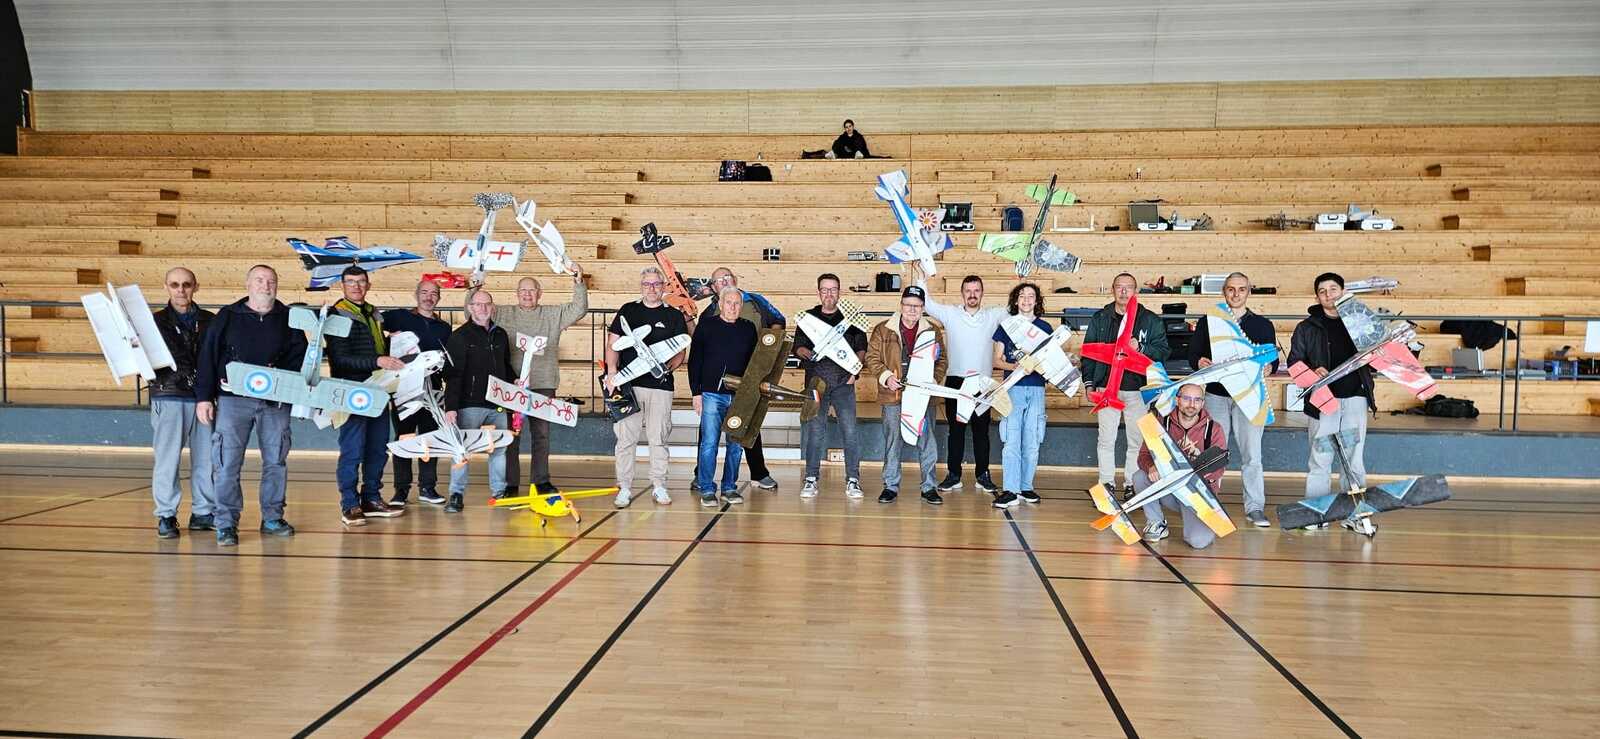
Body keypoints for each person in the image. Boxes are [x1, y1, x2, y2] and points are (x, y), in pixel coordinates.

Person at [194, 264, 306, 547]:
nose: (265, 285)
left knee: (276, 461)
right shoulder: (227, 316)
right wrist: (204, 397)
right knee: (226, 464)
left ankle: (272, 518)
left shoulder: (289, 318)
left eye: (271, 281)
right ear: (248, 284)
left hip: (275, 403)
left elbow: (300, 358)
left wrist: (283, 379)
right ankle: (226, 523)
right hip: (233, 402)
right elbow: (207, 356)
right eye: (259, 280)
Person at [1189, 272, 1277, 527]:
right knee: (1213, 454)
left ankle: (1255, 507)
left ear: (1248, 292)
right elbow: (1193, 355)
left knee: (1252, 456)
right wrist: (1199, 362)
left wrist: (1269, 367)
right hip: (1216, 395)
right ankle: (1208, 504)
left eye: (1241, 289)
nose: (1236, 294)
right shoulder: (1208, 322)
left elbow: (1271, 357)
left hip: (1250, 398)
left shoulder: (1263, 324)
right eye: (1231, 289)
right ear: (1224, 292)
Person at [1288, 272, 1375, 514]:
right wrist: (1313, 371)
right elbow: (1294, 362)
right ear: (1317, 297)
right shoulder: (1306, 328)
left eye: (1333, 289)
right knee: (1320, 459)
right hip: (1322, 402)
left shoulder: (1360, 322)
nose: (1328, 295)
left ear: (1343, 291)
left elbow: (1377, 359)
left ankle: (1357, 513)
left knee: (1353, 460)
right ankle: (1317, 513)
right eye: (1322, 291)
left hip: (1355, 399)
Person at [326, 266, 406, 528]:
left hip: (379, 389)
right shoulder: (337, 314)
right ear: (342, 285)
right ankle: (350, 503)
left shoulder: (373, 312)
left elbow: (373, 347)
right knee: (352, 449)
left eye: (361, 281)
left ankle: (371, 498)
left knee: (377, 448)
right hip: (352, 391)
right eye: (351, 282)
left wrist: (392, 343)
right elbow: (340, 358)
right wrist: (378, 360)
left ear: (368, 285)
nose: (356, 286)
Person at [498, 268, 588, 496]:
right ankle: (510, 484)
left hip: (543, 383)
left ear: (540, 293)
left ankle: (541, 481)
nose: (527, 294)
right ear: (516, 293)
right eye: (523, 290)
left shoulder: (552, 314)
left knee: (542, 435)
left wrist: (579, 282)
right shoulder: (503, 313)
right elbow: (473, 310)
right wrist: (474, 288)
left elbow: (579, 309)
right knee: (511, 436)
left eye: (532, 290)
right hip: (512, 386)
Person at [1081, 272, 1170, 500]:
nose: (1123, 291)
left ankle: (1132, 484)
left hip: (1138, 391)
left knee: (1136, 441)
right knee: (1105, 439)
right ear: (1112, 289)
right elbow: (1088, 352)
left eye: (1128, 287)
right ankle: (1106, 485)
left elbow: (1163, 352)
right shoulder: (1100, 318)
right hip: (1106, 389)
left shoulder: (1150, 320)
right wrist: (1089, 383)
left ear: (1135, 291)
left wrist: (1141, 348)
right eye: (1119, 287)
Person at [696, 267, 785, 491]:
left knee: (747, 429)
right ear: (714, 288)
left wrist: (768, 345)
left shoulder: (756, 301)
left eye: (727, 277)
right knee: (708, 436)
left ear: (735, 279)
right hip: (713, 388)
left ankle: (758, 473)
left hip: (747, 378)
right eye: (719, 280)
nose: (724, 282)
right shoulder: (709, 313)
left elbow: (778, 320)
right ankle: (701, 478)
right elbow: (697, 344)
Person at [608, 266, 689, 508]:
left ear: (663, 286)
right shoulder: (628, 310)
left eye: (656, 284)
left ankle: (659, 486)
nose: (651, 288)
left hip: (661, 388)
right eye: (647, 284)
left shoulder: (673, 315)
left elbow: (680, 352)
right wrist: (612, 373)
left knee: (658, 438)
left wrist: (667, 369)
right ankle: (624, 487)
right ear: (641, 286)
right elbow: (613, 344)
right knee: (625, 439)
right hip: (629, 387)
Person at [921, 274, 1006, 494]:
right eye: (968, 291)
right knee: (956, 431)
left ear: (982, 293)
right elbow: (927, 304)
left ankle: (983, 475)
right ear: (962, 293)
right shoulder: (951, 314)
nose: (972, 295)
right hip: (955, 381)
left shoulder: (993, 315)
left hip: (983, 382)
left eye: (976, 290)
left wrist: (1021, 278)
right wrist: (921, 278)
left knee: (981, 431)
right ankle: (953, 475)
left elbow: (1016, 309)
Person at [147, 267, 215, 539]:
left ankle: (203, 512)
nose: (181, 290)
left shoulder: (210, 320)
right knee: (167, 459)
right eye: (174, 284)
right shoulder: (153, 322)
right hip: (169, 395)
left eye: (186, 284)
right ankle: (166, 515)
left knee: (207, 459)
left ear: (195, 287)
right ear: (166, 287)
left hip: (204, 399)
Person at [864, 285, 948, 506]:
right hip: (893, 395)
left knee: (927, 441)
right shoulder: (883, 329)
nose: (912, 310)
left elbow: (942, 361)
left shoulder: (933, 331)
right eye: (909, 305)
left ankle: (929, 487)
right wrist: (886, 377)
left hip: (923, 397)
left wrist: (933, 381)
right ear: (901, 305)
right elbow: (872, 358)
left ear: (923, 308)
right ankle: (890, 485)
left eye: (917, 306)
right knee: (893, 440)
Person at [793, 273, 867, 499]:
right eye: (825, 290)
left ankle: (853, 480)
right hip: (817, 384)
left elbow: (861, 348)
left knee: (850, 431)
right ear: (818, 292)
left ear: (839, 292)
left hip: (844, 383)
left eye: (833, 289)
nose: (829, 294)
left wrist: (855, 371)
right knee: (815, 431)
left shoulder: (851, 318)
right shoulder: (807, 318)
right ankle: (811, 478)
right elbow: (798, 347)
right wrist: (809, 353)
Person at [441, 289, 515, 513]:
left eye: (487, 304)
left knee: (499, 449)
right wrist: (451, 407)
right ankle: (456, 494)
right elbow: (452, 375)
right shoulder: (459, 336)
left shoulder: (501, 334)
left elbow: (505, 366)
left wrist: (515, 380)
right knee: (462, 450)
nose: (483, 308)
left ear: (492, 307)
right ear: (470, 308)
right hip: (469, 404)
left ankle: (499, 492)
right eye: (478, 304)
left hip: (498, 404)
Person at [382, 279, 452, 507]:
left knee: (431, 438)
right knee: (405, 437)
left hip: (433, 390)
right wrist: (387, 341)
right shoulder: (399, 317)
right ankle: (401, 490)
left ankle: (427, 487)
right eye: (424, 292)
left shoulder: (444, 328)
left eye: (434, 293)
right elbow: (372, 322)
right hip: (403, 390)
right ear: (416, 294)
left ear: (439, 298)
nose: (429, 297)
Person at [688, 287, 758, 507]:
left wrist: (751, 395)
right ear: (720, 304)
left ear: (741, 306)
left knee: (735, 445)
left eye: (737, 303)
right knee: (709, 443)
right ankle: (707, 489)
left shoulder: (748, 328)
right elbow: (695, 360)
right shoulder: (706, 326)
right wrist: (696, 393)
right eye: (729, 302)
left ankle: (729, 487)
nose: (733, 307)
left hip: (739, 397)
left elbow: (755, 364)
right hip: (711, 395)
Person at [1136, 382, 1229, 548]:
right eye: (1186, 398)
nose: (1191, 404)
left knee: (1198, 542)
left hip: (1196, 496)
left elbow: (1218, 468)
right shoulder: (1160, 424)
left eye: (1197, 400)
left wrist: (1190, 475)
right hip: (1170, 490)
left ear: (1202, 403)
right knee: (1140, 476)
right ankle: (1156, 522)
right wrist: (1151, 466)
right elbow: (1143, 455)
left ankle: (1198, 522)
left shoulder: (1214, 429)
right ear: (1177, 400)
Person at [990, 283, 1049, 509]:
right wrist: (1015, 367)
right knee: (1012, 439)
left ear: (1036, 301)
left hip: (1037, 389)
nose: (1026, 299)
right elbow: (996, 360)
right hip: (1013, 387)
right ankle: (1010, 490)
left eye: (1031, 296)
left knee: (1032, 439)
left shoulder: (1045, 327)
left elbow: (1049, 361)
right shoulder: (1007, 326)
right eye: (1022, 296)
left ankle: (1026, 486)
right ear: (1016, 300)